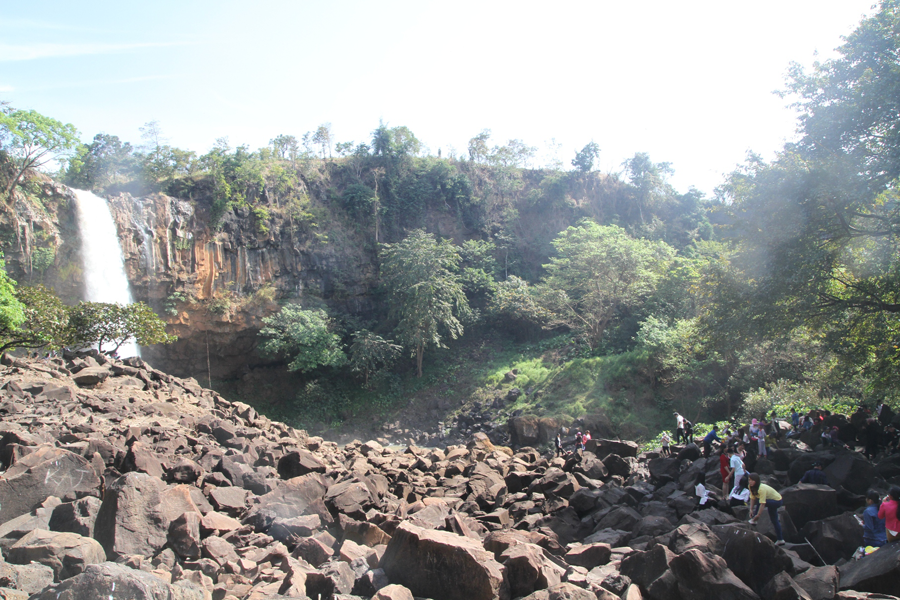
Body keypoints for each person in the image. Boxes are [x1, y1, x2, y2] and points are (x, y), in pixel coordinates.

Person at [748, 473, 785, 545]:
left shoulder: (761, 489)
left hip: (777, 501)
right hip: (770, 501)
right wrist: (751, 509)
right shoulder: (750, 487)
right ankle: (780, 539)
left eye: (752, 480)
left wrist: (757, 516)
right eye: (749, 480)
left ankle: (754, 520)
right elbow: (752, 498)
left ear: (756, 481)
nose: (750, 482)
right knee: (774, 520)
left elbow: (762, 503)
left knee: (759, 501)